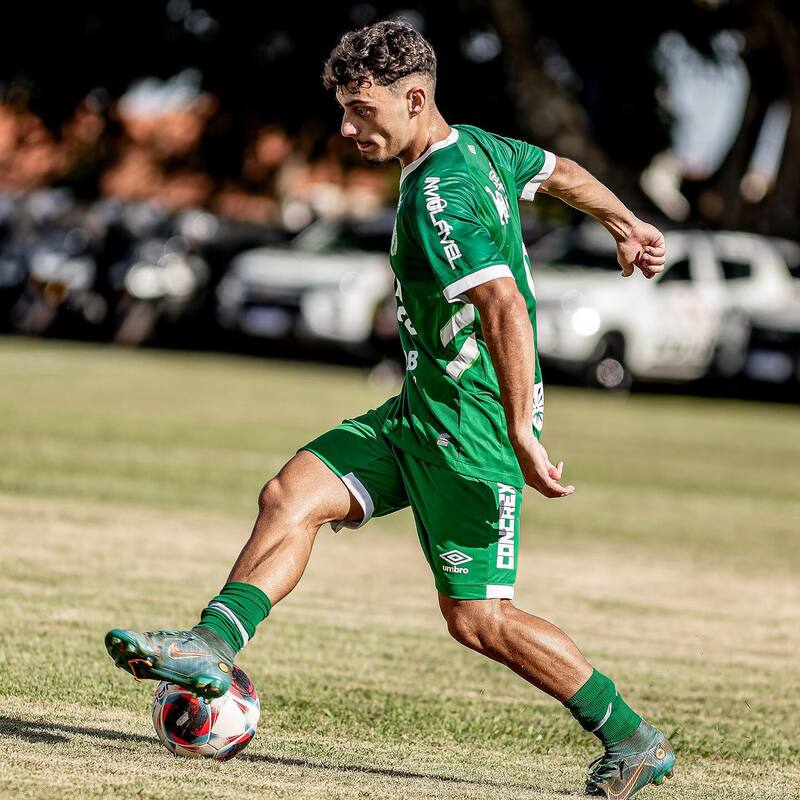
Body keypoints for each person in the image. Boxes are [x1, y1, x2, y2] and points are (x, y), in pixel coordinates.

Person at [105, 20, 674, 799]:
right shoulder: (479, 148)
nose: (346, 128)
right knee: (291, 494)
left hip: (472, 426)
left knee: (479, 620)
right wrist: (626, 222)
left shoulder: (441, 194)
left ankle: (633, 739)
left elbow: (503, 304)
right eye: (343, 108)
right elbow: (562, 170)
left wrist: (518, 432)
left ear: (413, 98)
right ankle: (209, 644)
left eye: (360, 111)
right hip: (420, 408)